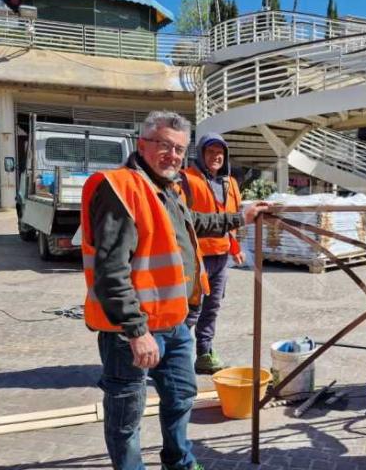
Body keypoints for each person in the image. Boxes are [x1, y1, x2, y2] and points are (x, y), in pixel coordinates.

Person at [80, 111, 269, 470]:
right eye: (165, 146)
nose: (174, 156)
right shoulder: (119, 187)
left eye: (180, 149)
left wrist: (239, 217)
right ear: (142, 144)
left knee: (182, 395)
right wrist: (136, 331)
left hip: (175, 323)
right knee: (126, 413)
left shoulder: (166, 188)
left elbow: (194, 223)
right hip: (133, 331)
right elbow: (110, 270)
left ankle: (178, 461)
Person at [182, 133, 244, 374]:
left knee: (212, 308)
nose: (216, 156)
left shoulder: (230, 183)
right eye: (210, 152)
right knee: (190, 310)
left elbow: (230, 219)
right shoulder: (186, 179)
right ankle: (175, 358)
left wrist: (235, 248)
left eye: (220, 152)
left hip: (221, 257)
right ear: (201, 154)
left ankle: (205, 354)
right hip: (195, 258)